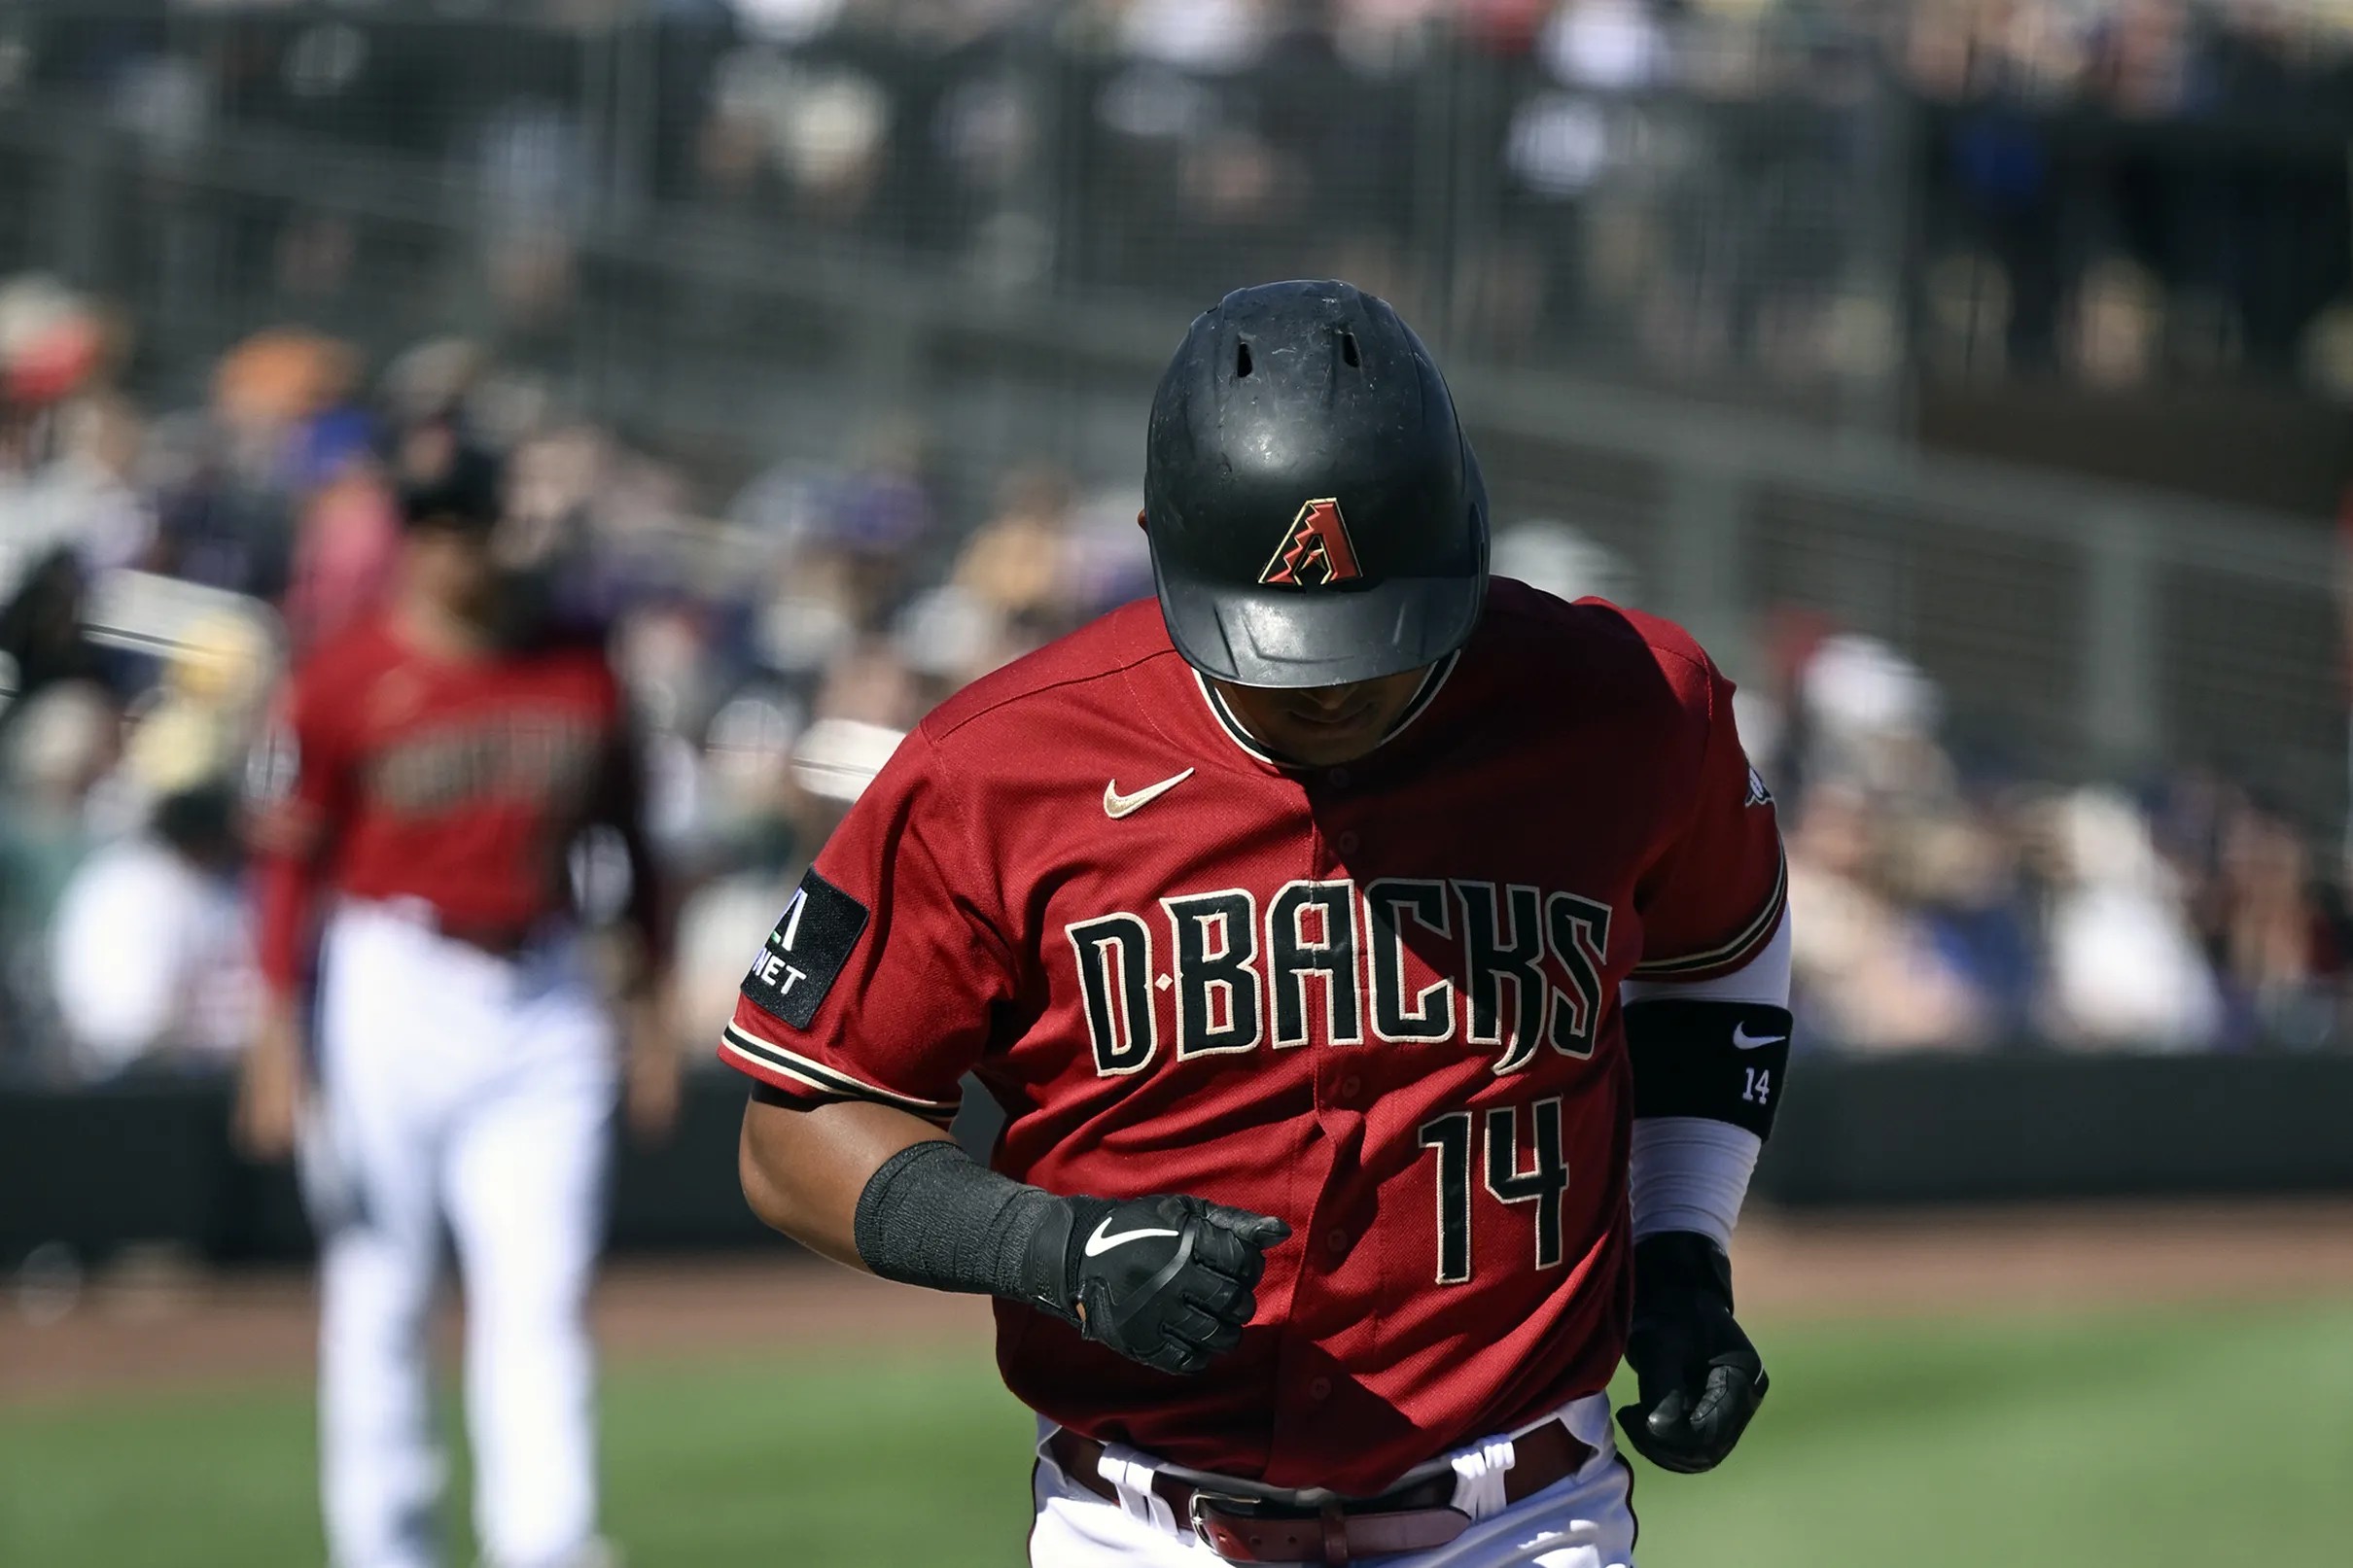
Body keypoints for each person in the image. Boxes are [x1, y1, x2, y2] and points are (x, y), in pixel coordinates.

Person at [729, 280, 1791, 1566]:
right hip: (1144, 1524)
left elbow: (1719, 956)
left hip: (1517, 1516)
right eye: (1283, 647)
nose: (1333, 686)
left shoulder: (1627, 706)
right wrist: (1049, 1244)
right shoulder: (999, 768)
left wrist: (1684, 1250)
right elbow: (796, 1131)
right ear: (1158, 548)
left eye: (1377, 634)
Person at [237, 449, 677, 1568]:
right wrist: (278, 1029)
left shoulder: (579, 662)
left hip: (542, 982)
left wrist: (652, 1004)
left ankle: (548, 1537)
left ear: (497, 532)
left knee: (540, 1285)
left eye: (462, 524)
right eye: (424, 526)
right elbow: (290, 868)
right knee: (380, 1282)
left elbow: (633, 845)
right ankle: (384, 1546)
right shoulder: (341, 673)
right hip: (391, 976)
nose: (444, 546)